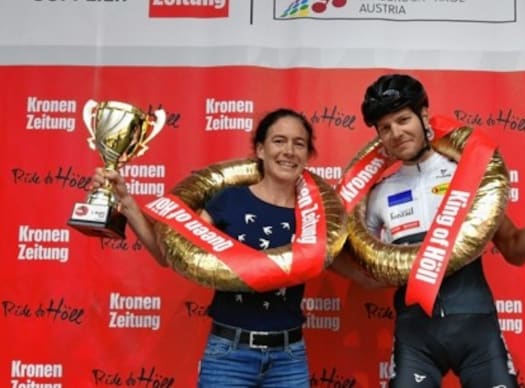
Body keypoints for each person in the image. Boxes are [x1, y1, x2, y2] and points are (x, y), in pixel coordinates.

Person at [92, 108, 351, 387]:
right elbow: (167, 254)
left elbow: (349, 267)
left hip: (289, 357)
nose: (289, 150)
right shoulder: (229, 200)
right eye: (279, 141)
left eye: (299, 143)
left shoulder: (315, 214)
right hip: (229, 355)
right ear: (261, 150)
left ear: (307, 156)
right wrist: (126, 201)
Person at [359, 74, 525, 387]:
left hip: (477, 333)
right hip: (416, 337)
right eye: (385, 127)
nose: (396, 133)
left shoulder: (465, 172)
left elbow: (515, 250)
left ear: (423, 115)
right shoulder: (378, 193)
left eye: (403, 119)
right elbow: (366, 273)